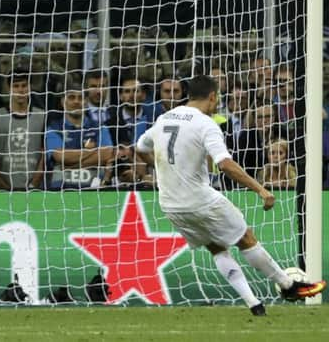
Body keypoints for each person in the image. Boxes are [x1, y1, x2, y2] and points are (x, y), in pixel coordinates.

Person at [135, 75, 326, 316]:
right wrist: (261, 189)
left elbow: (140, 148)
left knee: (217, 248)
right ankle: (289, 286)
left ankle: (254, 305)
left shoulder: (164, 118)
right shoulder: (205, 124)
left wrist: (160, 168)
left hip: (171, 204)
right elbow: (224, 164)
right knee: (245, 238)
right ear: (213, 97)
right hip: (199, 199)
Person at [45, 82, 114, 189]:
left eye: (80, 98)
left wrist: (69, 165)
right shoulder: (53, 128)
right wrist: (93, 153)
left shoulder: (100, 128)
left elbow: (107, 153)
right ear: (63, 102)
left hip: (94, 192)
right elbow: (60, 156)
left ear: (85, 102)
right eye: (72, 97)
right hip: (60, 191)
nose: (76, 101)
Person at [0, 65, 45, 190]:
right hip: (2, 189)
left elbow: (45, 152)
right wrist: (1, 185)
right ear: (9, 88)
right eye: (16, 86)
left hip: (34, 189)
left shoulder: (42, 116)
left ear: (30, 87)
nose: (20, 90)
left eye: (24, 86)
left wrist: (35, 183)